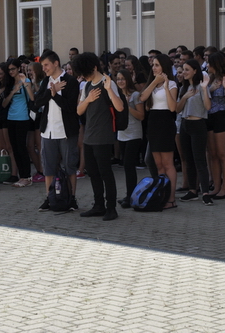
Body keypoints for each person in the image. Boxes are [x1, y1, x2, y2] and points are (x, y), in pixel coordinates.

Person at [74, 52, 124, 220]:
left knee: (105, 172)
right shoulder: (87, 86)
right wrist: (87, 99)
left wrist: (109, 90)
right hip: (89, 135)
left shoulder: (107, 82)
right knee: (93, 172)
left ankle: (111, 208)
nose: (84, 76)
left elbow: (120, 107)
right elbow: (79, 110)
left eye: (86, 73)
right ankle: (98, 205)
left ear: (94, 67)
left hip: (103, 135)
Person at [33, 50, 80, 212]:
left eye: (46, 65)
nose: (44, 68)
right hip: (48, 131)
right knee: (49, 168)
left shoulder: (70, 81)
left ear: (56, 63)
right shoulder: (46, 81)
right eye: (42, 66)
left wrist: (55, 95)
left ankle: (71, 199)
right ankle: (50, 198)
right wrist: (50, 92)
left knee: (69, 166)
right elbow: (37, 102)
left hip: (66, 131)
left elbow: (70, 107)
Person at [139, 54, 179, 210]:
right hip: (153, 122)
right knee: (158, 164)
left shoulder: (172, 84)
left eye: (157, 65)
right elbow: (142, 98)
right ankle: (162, 195)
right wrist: (155, 82)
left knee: (168, 163)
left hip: (165, 122)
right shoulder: (153, 83)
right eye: (153, 65)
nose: (154, 68)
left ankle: (171, 198)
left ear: (164, 66)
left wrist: (166, 86)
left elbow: (172, 108)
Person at [176, 59, 211, 203]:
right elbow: (177, 109)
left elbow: (208, 107)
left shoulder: (201, 86)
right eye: (183, 70)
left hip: (198, 124)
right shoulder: (183, 88)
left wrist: (204, 88)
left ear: (195, 71)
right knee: (188, 159)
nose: (183, 72)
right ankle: (192, 190)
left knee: (199, 160)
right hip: (185, 124)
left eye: (187, 69)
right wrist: (184, 97)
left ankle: (206, 192)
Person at [204, 51, 225, 202]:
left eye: (209, 63)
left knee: (223, 154)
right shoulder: (209, 79)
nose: (207, 65)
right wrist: (209, 89)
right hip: (209, 116)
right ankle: (216, 186)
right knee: (213, 154)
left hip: (222, 116)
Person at [3, 58, 35, 187]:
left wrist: (25, 83)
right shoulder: (9, 83)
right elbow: (4, 104)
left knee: (22, 148)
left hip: (23, 118)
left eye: (13, 69)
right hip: (11, 117)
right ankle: (22, 176)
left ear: (18, 68)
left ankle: (27, 176)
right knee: (15, 148)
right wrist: (13, 91)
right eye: (9, 69)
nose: (11, 71)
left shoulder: (25, 80)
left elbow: (32, 98)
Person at [115, 70, 144, 208]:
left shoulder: (135, 95)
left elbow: (141, 116)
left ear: (128, 79)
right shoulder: (117, 95)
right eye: (118, 79)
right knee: (125, 166)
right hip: (122, 133)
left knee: (129, 164)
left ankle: (131, 196)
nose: (120, 81)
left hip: (134, 133)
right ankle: (128, 195)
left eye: (122, 78)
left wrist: (127, 106)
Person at [0, 62, 19, 184]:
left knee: (10, 147)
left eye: (0, 74)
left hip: (7, 117)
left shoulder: (9, 86)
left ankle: (14, 174)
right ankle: (3, 172)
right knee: (1, 147)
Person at [27, 61, 46, 182]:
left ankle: (43, 171)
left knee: (39, 145)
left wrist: (34, 84)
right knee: (29, 145)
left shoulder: (43, 82)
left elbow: (37, 97)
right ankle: (39, 169)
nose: (29, 72)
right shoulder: (28, 82)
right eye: (28, 70)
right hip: (30, 115)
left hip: (40, 115)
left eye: (31, 70)